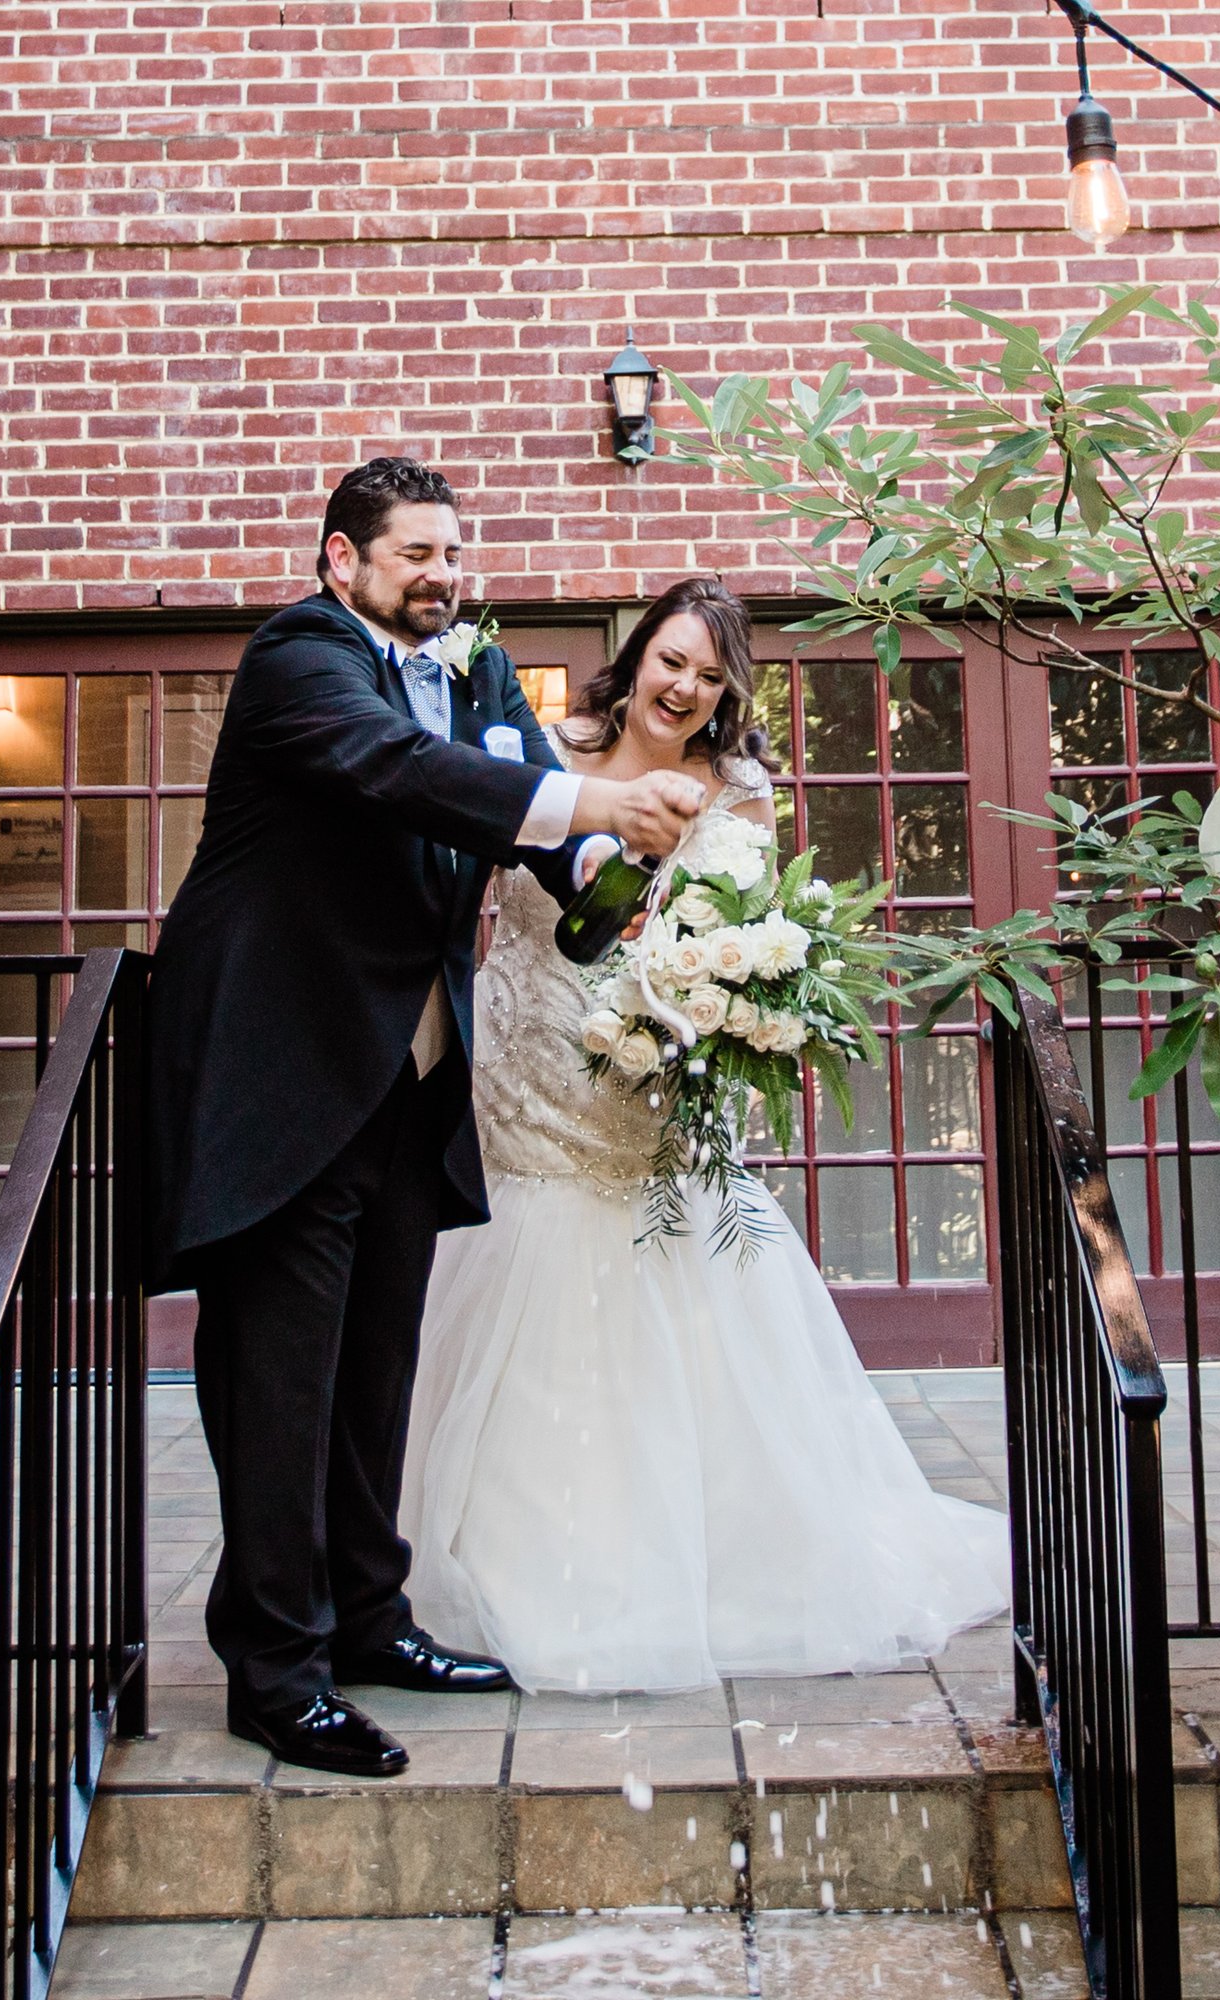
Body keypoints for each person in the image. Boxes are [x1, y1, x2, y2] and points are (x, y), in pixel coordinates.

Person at [147, 458, 707, 1776]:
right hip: (287, 1079)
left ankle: (368, 1621)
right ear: (342, 561)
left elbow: (520, 816)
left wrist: (600, 867)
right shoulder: (300, 660)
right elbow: (392, 771)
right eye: (414, 555)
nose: (443, 575)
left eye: (453, 553)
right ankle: (275, 1671)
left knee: (372, 1376)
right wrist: (597, 799)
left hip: (406, 1083)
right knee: (281, 1386)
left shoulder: (475, 667)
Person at [399, 577, 1009, 1692]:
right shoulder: (547, 747)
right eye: (671, 660)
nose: (683, 686)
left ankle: (679, 1560)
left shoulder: (742, 790)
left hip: (657, 1093)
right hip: (530, 1079)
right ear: (636, 658)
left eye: (708, 675)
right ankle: (489, 1558)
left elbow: (751, 930)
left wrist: (731, 1015)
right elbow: (468, 880)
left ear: (724, 692)